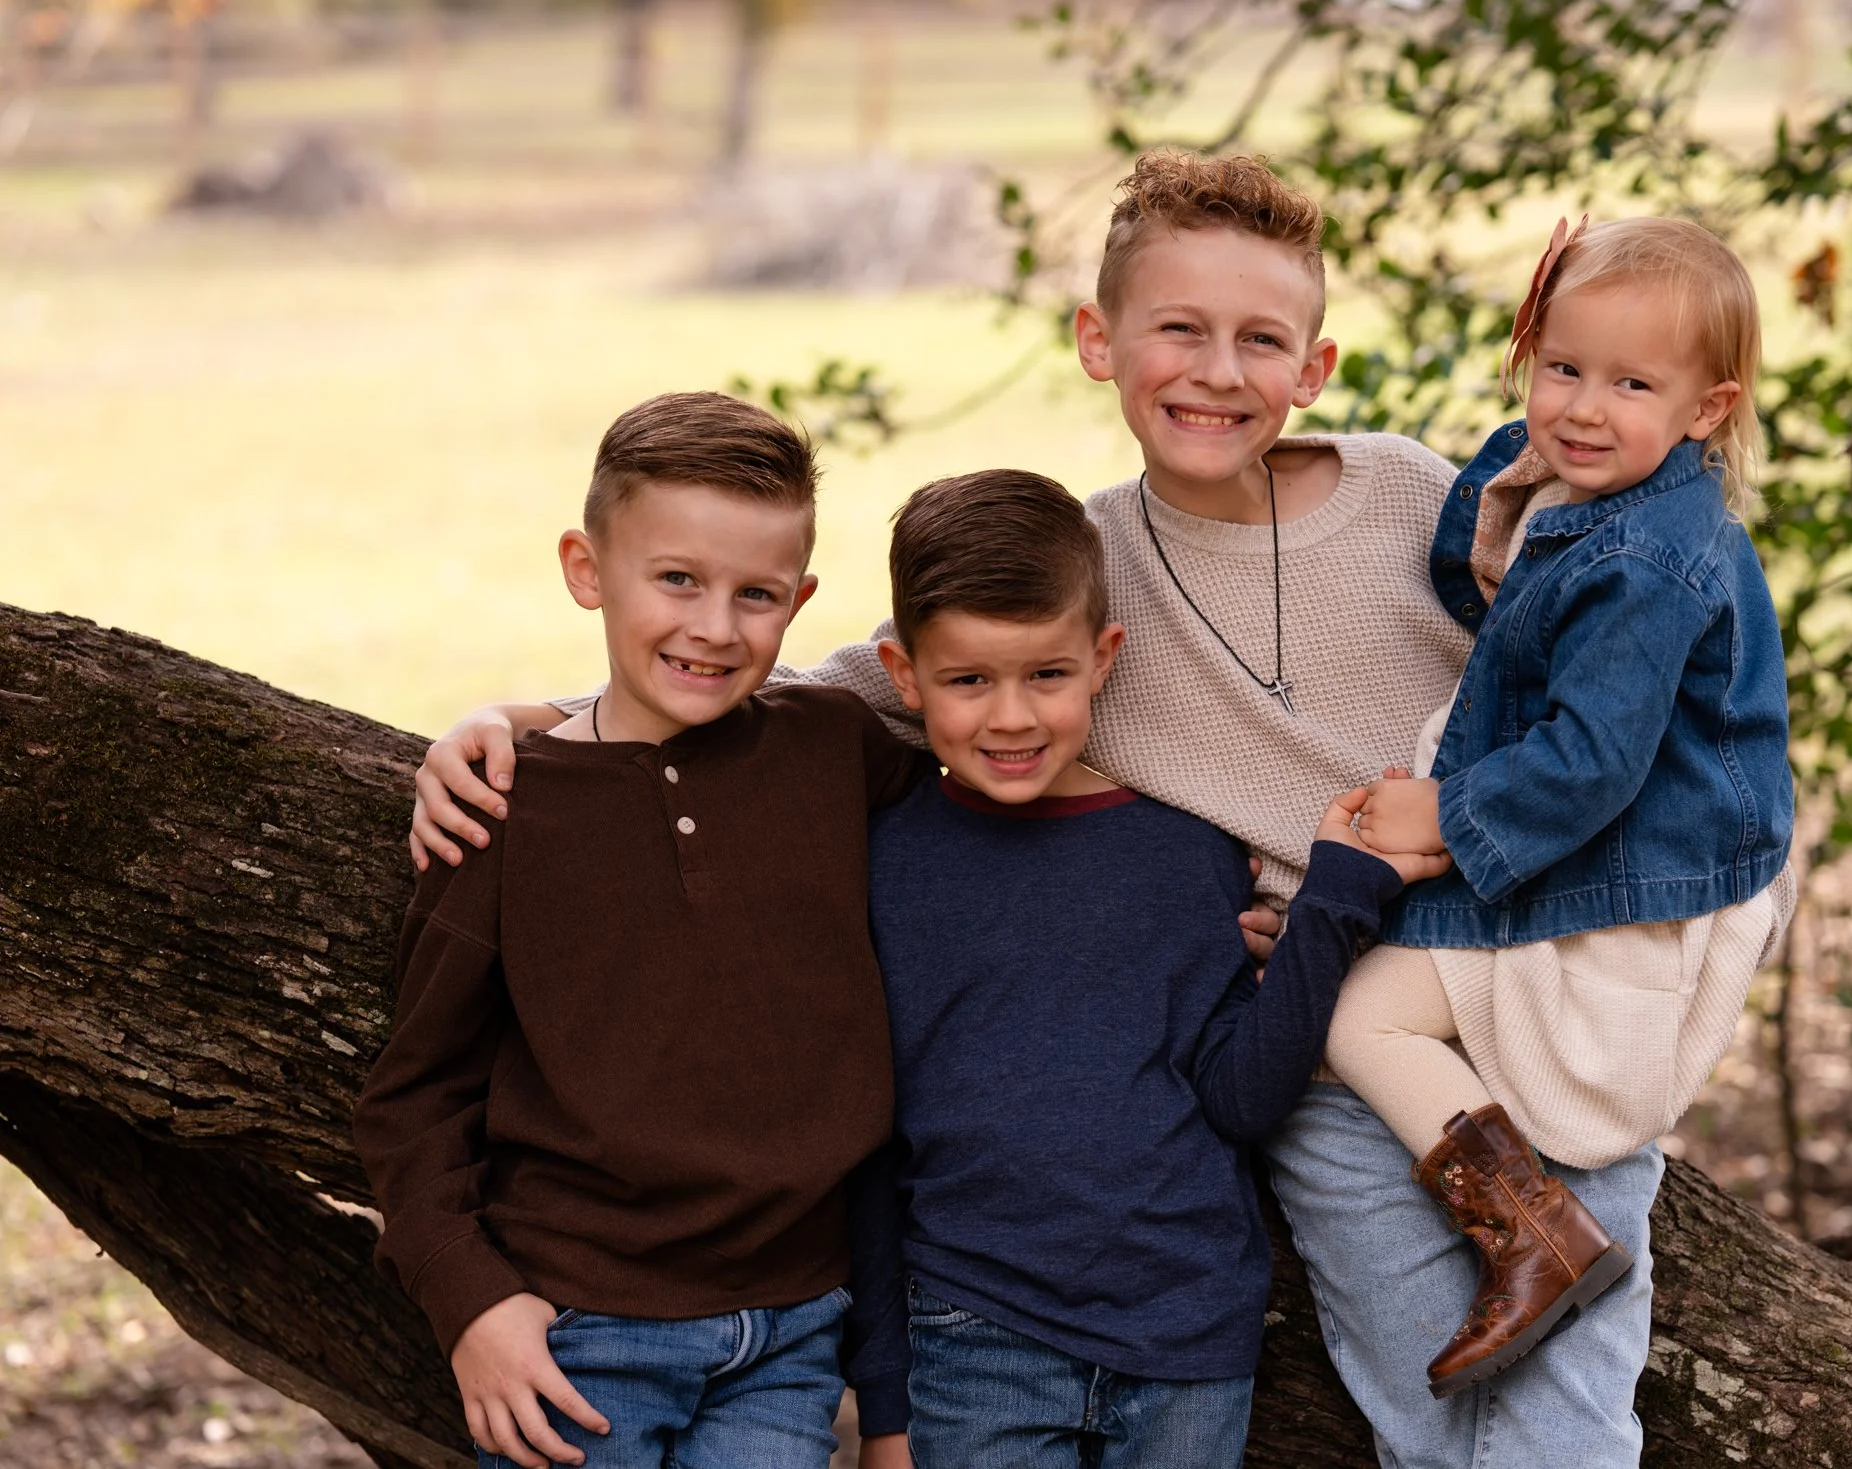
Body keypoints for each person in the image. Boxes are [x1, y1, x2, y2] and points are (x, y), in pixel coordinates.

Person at [402, 155, 1682, 1463]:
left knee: (1571, 1390)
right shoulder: (1078, 573)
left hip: (1519, 991)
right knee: (1430, 1399)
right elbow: (795, 681)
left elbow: (1601, 679)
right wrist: (529, 723)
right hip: (1312, 1042)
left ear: (1313, 366)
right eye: (1176, 329)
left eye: (1257, 340)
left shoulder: (1417, 500)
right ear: (1098, 343)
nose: (1214, 372)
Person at [353, 392, 932, 1469]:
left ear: (800, 601)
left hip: (796, 1327)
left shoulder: (836, 748)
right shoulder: (503, 809)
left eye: (757, 595)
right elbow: (413, 1099)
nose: (715, 627)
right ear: (586, 570)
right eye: (677, 580)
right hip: (580, 1331)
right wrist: (471, 1301)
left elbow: (998, 775)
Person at [843, 467, 1448, 1466]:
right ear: (903, 676)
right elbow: (867, 1145)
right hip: (973, 1332)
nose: (1011, 717)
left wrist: (1338, 898)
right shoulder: (888, 864)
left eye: (1046, 674)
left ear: (1103, 658)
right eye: (966, 681)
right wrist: (886, 1406)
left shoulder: (1187, 854)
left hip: (1183, 1338)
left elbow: (1241, 1096)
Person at [1336, 215, 1796, 1402]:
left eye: (1632, 383)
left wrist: (1444, 819)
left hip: (1636, 854)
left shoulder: (1650, 559)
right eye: (1563, 369)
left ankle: (1533, 1237)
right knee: (1371, 1001)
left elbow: (1592, 760)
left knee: (1360, 1019)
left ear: (1706, 409)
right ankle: (1526, 1226)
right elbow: (1505, 570)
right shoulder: (1587, 490)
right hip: (1604, 828)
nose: (1584, 408)